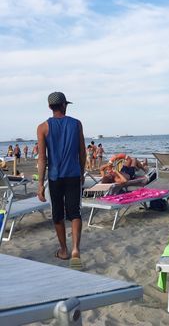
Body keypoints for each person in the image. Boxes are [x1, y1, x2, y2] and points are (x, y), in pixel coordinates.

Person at [35, 92, 88, 269]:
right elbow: (83, 152)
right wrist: (81, 173)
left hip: (55, 177)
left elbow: (42, 158)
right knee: (75, 213)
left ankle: (64, 250)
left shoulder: (43, 127)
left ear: (50, 107)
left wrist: (40, 184)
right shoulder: (76, 124)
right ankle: (75, 250)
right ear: (64, 105)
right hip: (73, 175)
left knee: (57, 214)